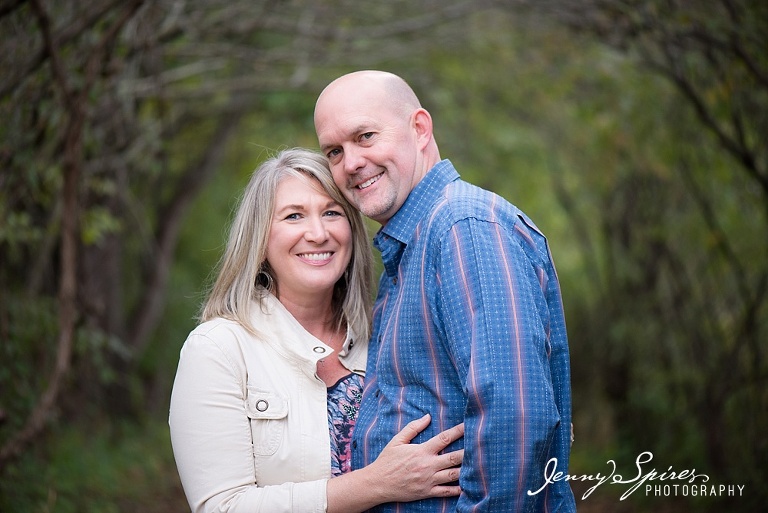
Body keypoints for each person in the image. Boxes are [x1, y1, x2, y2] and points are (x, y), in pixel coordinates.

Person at [314, 71, 577, 511]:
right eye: (334, 152)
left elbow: (514, 419)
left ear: (420, 129)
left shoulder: (463, 228)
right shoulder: (413, 245)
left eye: (365, 136)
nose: (351, 163)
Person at [169, 148, 464, 513]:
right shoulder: (218, 349)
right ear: (260, 239)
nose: (318, 233)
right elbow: (222, 507)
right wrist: (375, 484)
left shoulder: (386, 337)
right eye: (293, 216)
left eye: (331, 212)